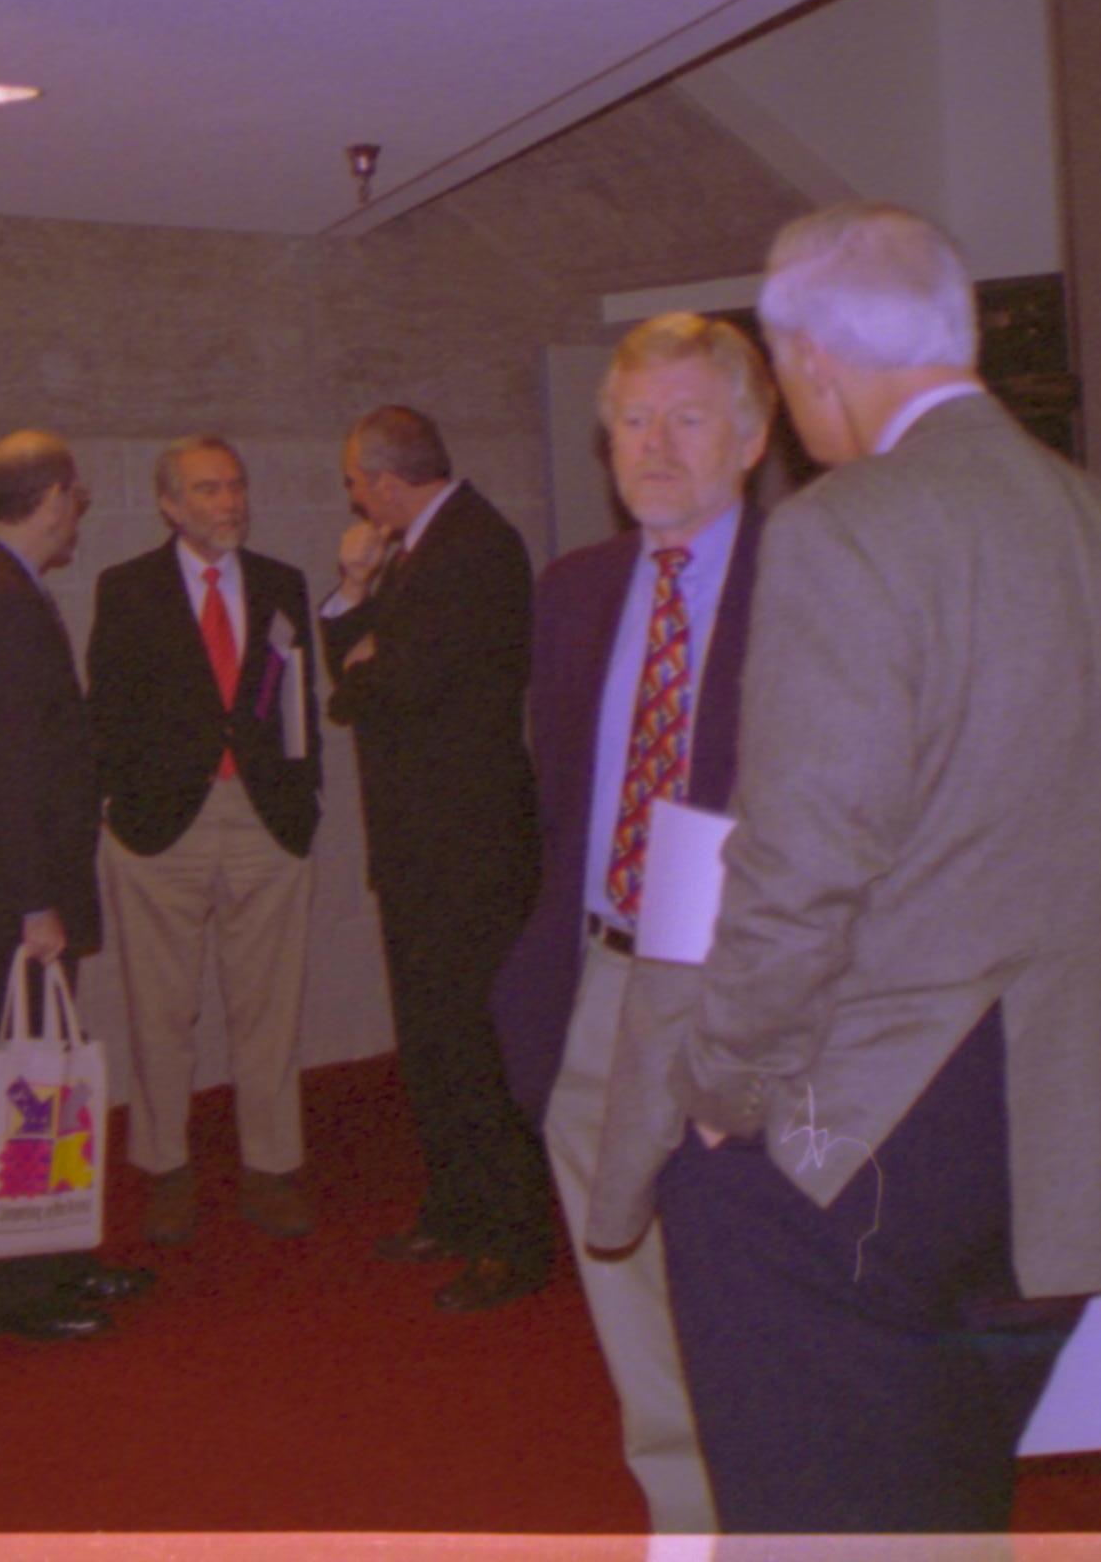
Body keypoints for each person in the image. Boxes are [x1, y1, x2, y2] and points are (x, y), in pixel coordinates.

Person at [631, 205, 1101, 1533]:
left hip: (862, 1132)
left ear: (814, 360)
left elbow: (802, 860)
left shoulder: (851, 524)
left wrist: (724, 1084)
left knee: (817, 1520)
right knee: (946, 1508)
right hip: (1053, 1125)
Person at [488, 314, 774, 1533]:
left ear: (753, 437)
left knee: (748, 1272)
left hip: (744, 992)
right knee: (618, 1262)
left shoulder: (814, 579)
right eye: (635, 421)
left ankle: (774, 1501)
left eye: (688, 416)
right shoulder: (575, 592)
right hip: (601, 972)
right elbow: (557, 794)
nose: (655, 445)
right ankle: (684, 1509)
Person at [0, 429, 155, 1341]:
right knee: (16, 1085)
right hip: (13, 896)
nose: (77, 515)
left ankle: (58, 1259)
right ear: (53, 495)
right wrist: (36, 902)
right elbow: (6, 768)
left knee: (40, 1083)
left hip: (16, 889)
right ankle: (14, 1292)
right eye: (77, 498)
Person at [322, 405, 555, 1311]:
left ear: (386, 481)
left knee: (480, 1044)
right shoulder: (418, 546)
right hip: (420, 842)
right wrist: (354, 601)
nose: (351, 495)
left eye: (353, 480)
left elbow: (394, 688)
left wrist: (372, 659)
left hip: (470, 844)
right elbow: (366, 676)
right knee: (432, 1040)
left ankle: (512, 1236)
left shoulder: (475, 547)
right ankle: (456, 1208)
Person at [86, 436, 326, 1245]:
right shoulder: (126, 591)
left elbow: (297, 708)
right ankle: (166, 1167)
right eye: (208, 490)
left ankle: (270, 1167)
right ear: (170, 506)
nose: (228, 503)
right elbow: (106, 716)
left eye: (235, 486)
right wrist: (120, 807)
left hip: (266, 822)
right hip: (163, 830)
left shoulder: (282, 585)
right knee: (162, 1009)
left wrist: (306, 804)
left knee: (268, 1008)